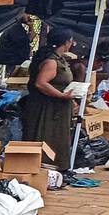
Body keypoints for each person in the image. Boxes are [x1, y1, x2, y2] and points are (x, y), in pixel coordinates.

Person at [19, 27, 81, 169]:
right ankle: (42, 166)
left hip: (57, 106)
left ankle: (54, 167)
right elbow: (41, 83)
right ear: (66, 42)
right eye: (71, 41)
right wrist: (62, 95)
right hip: (47, 107)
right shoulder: (51, 62)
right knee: (46, 134)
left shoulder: (58, 59)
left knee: (55, 136)